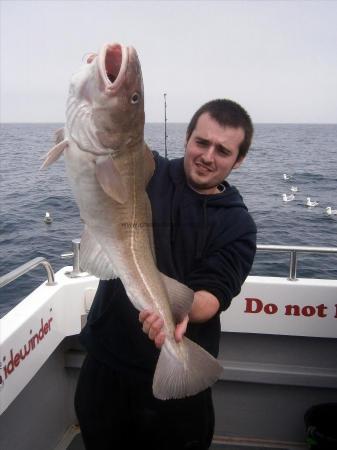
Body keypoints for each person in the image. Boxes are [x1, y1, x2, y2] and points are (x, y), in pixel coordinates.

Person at [75, 98, 257, 450]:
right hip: (107, 365)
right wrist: (102, 92)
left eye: (223, 150)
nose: (207, 156)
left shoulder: (238, 224)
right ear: (187, 138)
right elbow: (115, 139)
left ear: (240, 159)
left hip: (179, 376)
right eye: (201, 142)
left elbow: (215, 292)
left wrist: (181, 312)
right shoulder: (146, 173)